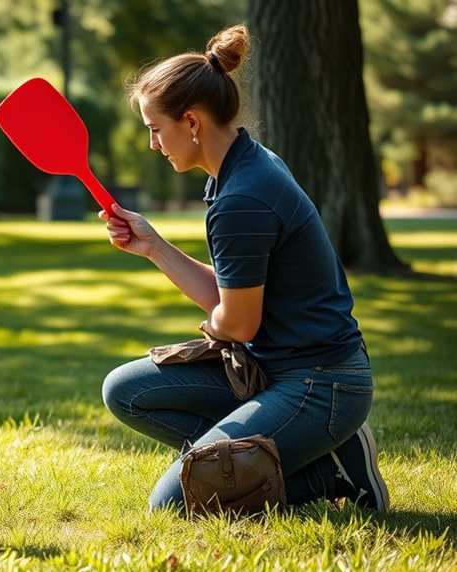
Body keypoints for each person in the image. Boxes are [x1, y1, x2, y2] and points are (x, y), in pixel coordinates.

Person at [100, 24, 389, 513]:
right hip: (281, 370)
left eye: (155, 129)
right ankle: (286, 455)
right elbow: (234, 295)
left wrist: (212, 329)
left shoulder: (242, 198)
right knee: (125, 390)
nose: (153, 143)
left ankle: (329, 473)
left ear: (190, 122)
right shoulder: (242, 166)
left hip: (320, 383)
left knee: (172, 505)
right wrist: (153, 247)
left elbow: (236, 322)